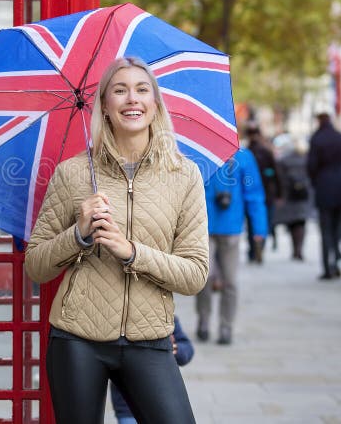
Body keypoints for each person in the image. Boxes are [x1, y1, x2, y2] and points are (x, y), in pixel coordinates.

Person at [24, 57, 208, 424]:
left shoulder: (184, 175)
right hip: (77, 339)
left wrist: (131, 252)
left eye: (142, 90)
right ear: (105, 107)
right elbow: (35, 266)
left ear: (155, 104)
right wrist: (79, 234)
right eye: (119, 90)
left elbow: (195, 274)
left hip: (150, 339)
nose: (131, 99)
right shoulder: (74, 173)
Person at [196, 148, 267, 345]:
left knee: (230, 281)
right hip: (204, 227)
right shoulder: (202, 155)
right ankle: (203, 318)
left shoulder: (244, 157)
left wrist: (259, 228)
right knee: (204, 278)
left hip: (232, 227)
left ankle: (226, 326)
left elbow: (254, 194)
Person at [110, 315, 194, 424]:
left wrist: (173, 348)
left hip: (160, 399)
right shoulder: (119, 318)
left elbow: (187, 349)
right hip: (126, 408)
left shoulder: (167, 318)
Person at [307, 112, 341, 280]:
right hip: (340, 183)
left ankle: (327, 267)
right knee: (338, 226)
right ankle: (337, 259)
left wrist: (315, 180)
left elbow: (311, 165)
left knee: (325, 230)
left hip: (324, 185)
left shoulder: (317, 139)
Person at [244, 124, 279, 260]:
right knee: (262, 221)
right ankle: (259, 245)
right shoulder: (265, 152)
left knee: (252, 223)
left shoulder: (246, 153)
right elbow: (275, 173)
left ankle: (254, 249)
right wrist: (279, 192)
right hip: (265, 192)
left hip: (252, 192)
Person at [274, 137, 311, 261]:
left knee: (292, 223)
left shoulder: (283, 160)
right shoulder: (306, 159)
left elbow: (280, 178)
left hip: (289, 195)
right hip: (303, 194)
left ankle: (295, 249)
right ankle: (299, 249)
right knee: (301, 222)